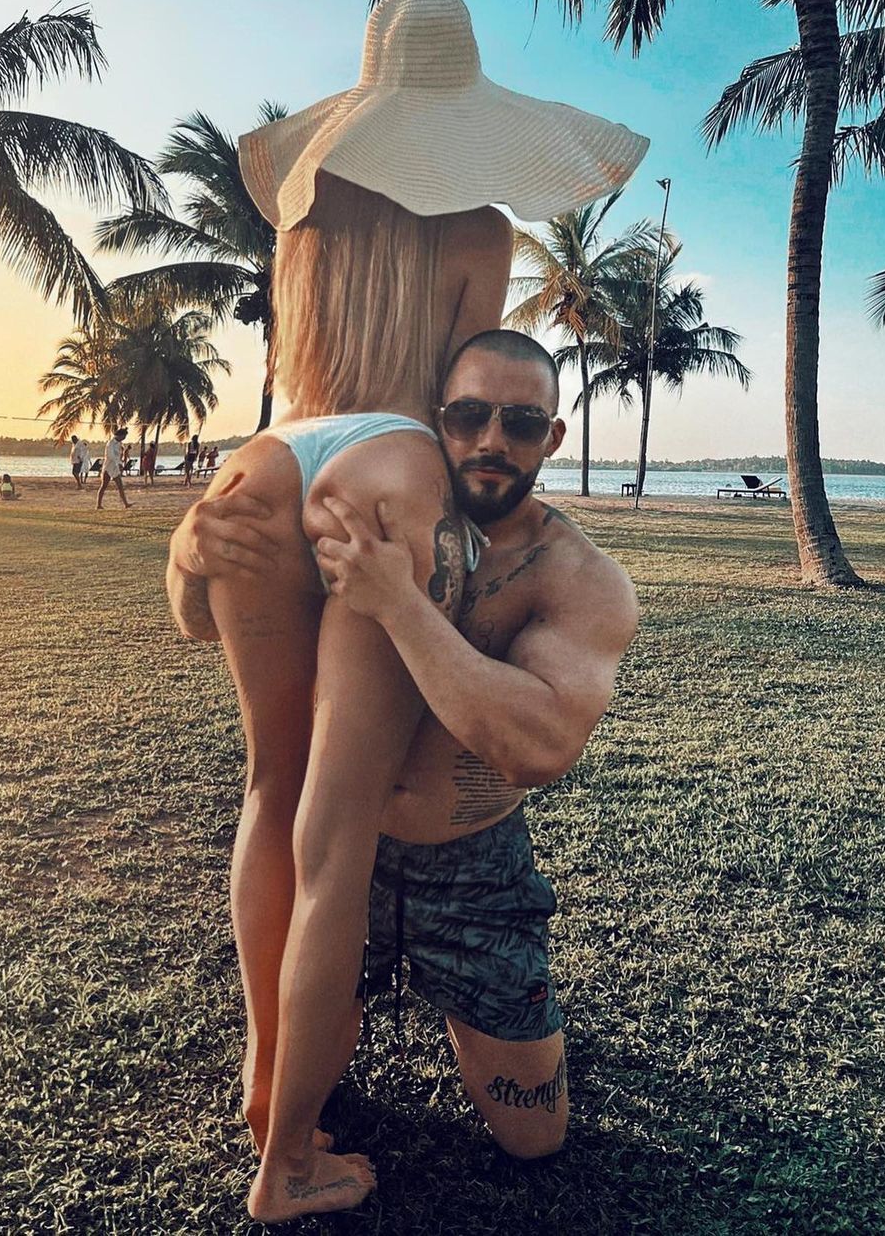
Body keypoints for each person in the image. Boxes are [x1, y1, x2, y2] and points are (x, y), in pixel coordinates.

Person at [167, 0, 646, 1222]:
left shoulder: (306, 222)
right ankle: (287, 1165)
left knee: (268, 792)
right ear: (460, 111)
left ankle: (268, 1081)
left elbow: (293, 390)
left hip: (271, 455)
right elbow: (460, 387)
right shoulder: (478, 227)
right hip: (386, 457)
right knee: (335, 841)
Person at [171, 330, 638, 1167]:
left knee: (535, 1136)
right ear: (434, 420)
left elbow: (536, 747)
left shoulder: (577, 577)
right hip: (345, 853)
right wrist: (187, 559)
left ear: (553, 439)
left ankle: (466, 1005)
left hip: (470, 869)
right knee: (308, 1089)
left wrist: (400, 605)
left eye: (522, 423)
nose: (491, 440)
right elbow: (207, 624)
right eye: (468, 415)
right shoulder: (371, 512)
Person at [97, 427, 131, 510]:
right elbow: (111, 456)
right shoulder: (110, 444)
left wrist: (120, 464)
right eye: (124, 436)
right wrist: (118, 463)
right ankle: (98, 505)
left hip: (115, 468)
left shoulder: (119, 444)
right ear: (120, 435)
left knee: (120, 486)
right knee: (103, 486)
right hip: (108, 467)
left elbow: (119, 456)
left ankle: (126, 504)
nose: (124, 438)